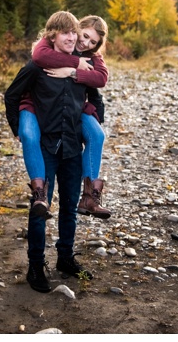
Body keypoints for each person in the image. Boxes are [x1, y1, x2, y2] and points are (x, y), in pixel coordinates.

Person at [4, 11, 98, 293]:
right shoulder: (37, 67)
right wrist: (18, 129)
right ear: (52, 36)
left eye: (74, 33)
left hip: (71, 147)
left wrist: (95, 122)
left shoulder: (80, 70)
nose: (71, 38)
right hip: (46, 147)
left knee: (70, 207)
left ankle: (65, 259)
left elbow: (96, 95)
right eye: (65, 33)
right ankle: (35, 266)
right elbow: (11, 94)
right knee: (39, 207)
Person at [20, 15, 112, 220]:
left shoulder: (92, 56)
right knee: (30, 136)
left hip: (77, 110)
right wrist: (75, 62)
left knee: (97, 135)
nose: (85, 43)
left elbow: (101, 78)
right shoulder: (58, 40)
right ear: (78, 27)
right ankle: (39, 194)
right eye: (85, 35)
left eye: (93, 42)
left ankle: (89, 197)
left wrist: (72, 72)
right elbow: (39, 56)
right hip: (47, 110)